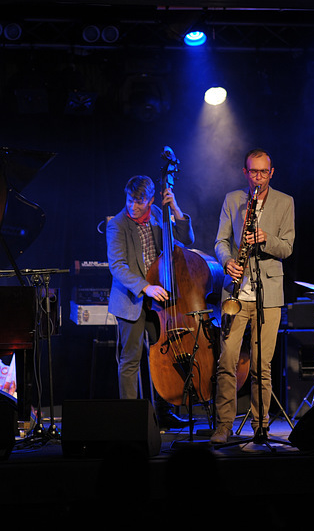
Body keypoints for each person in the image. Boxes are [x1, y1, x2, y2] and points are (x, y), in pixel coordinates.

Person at [210, 148, 295, 444]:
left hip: (268, 295)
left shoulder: (285, 202)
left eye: (263, 172)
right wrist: (226, 261)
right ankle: (223, 426)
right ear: (245, 172)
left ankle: (261, 425)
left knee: (262, 365)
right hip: (235, 292)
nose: (258, 177)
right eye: (253, 172)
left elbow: (287, 248)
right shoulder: (233, 199)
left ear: (272, 172)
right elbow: (221, 240)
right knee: (227, 361)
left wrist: (266, 238)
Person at [106, 175, 194, 429]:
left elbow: (187, 240)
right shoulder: (118, 224)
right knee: (130, 359)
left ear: (151, 200)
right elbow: (118, 266)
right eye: (130, 200)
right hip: (132, 299)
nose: (133, 206)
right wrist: (146, 287)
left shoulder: (158, 213)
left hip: (159, 300)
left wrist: (175, 208)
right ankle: (130, 417)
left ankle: (164, 412)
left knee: (162, 357)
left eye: (139, 201)